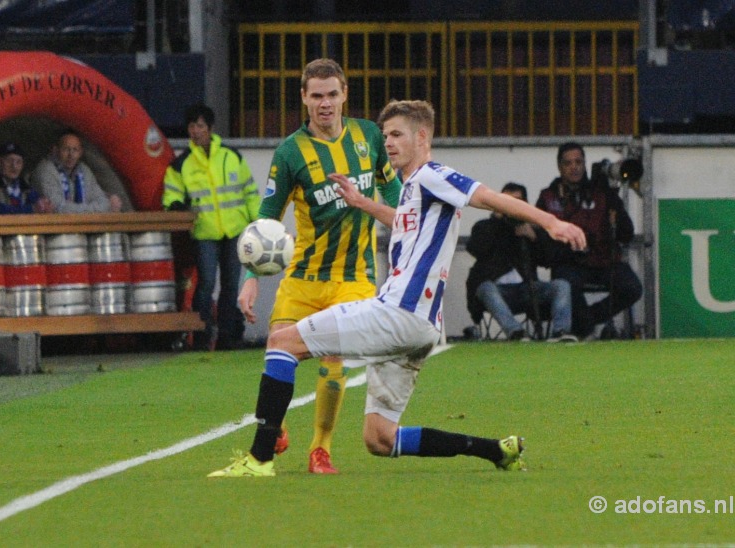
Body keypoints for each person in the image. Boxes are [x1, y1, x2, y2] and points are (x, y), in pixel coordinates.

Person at [208, 99, 586, 478]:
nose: (387, 142)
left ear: (421, 136)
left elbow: (487, 197)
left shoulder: (432, 175)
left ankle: (259, 458)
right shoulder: (412, 189)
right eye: (385, 134)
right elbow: (405, 222)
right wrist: (362, 203)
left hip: (397, 313)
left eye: (396, 134)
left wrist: (550, 222)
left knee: (282, 343)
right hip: (419, 327)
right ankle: (495, 451)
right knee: (380, 439)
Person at [235, 58, 402, 474]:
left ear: (345, 94)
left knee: (334, 360)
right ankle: (277, 429)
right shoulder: (290, 152)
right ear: (304, 99)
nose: (325, 104)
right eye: (316, 96)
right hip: (304, 278)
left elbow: (395, 192)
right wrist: (251, 277)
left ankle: (320, 449)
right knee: (277, 348)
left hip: (355, 278)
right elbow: (267, 218)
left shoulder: (368, 137)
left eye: (332, 94)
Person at [162, 102, 260, 351]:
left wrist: (258, 222)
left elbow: (249, 192)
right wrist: (175, 207)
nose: (196, 131)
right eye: (192, 126)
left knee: (230, 286)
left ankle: (227, 337)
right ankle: (202, 335)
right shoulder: (181, 164)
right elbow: (171, 194)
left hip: (235, 231)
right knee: (205, 285)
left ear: (211, 128)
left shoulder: (231, 156)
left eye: (200, 125)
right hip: (205, 232)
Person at [535, 142, 643, 339]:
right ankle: (584, 327)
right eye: (568, 163)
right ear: (560, 167)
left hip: (604, 261)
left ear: (585, 164)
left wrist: (613, 199)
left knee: (632, 287)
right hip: (570, 263)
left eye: (578, 162)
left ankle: (587, 320)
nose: (574, 167)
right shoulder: (549, 197)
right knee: (565, 281)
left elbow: (626, 234)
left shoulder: (601, 193)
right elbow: (541, 238)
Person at [465, 182, 576, 342]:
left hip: (527, 288)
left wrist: (534, 238)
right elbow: (475, 248)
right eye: (506, 201)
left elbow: (550, 259)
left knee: (561, 285)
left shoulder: (531, 228)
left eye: (516, 202)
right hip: (498, 290)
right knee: (485, 288)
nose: (510, 206)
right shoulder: (485, 226)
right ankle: (516, 332)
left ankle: (560, 332)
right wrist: (497, 219)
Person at [31, 129, 123, 213]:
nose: (71, 155)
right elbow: (57, 207)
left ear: (80, 153)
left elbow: (103, 201)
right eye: (66, 149)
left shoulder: (84, 169)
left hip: (83, 226)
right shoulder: (46, 170)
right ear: (56, 150)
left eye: (75, 150)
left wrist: (89, 209)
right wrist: (92, 210)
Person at [0, 142, 55, 215]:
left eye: (19, 162)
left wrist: (44, 206)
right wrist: (31, 209)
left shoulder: (23, 183)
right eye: (9, 161)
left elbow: (36, 200)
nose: (14, 166)